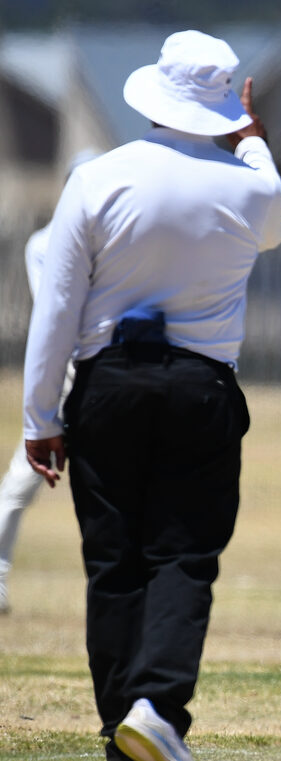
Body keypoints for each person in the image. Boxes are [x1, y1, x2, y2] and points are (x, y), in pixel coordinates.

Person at [22, 30, 281, 761]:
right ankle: (159, 705)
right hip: (201, 386)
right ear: (227, 105)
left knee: (113, 563)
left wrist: (41, 415)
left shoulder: (100, 177)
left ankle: (122, 725)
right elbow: (279, 220)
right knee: (184, 557)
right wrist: (254, 138)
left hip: (107, 382)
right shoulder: (250, 185)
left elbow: (56, 309)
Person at [0, 149, 98, 615]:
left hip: (109, 374)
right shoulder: (45, 242)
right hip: (70, 373)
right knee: (22, 481)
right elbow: (54, 317)